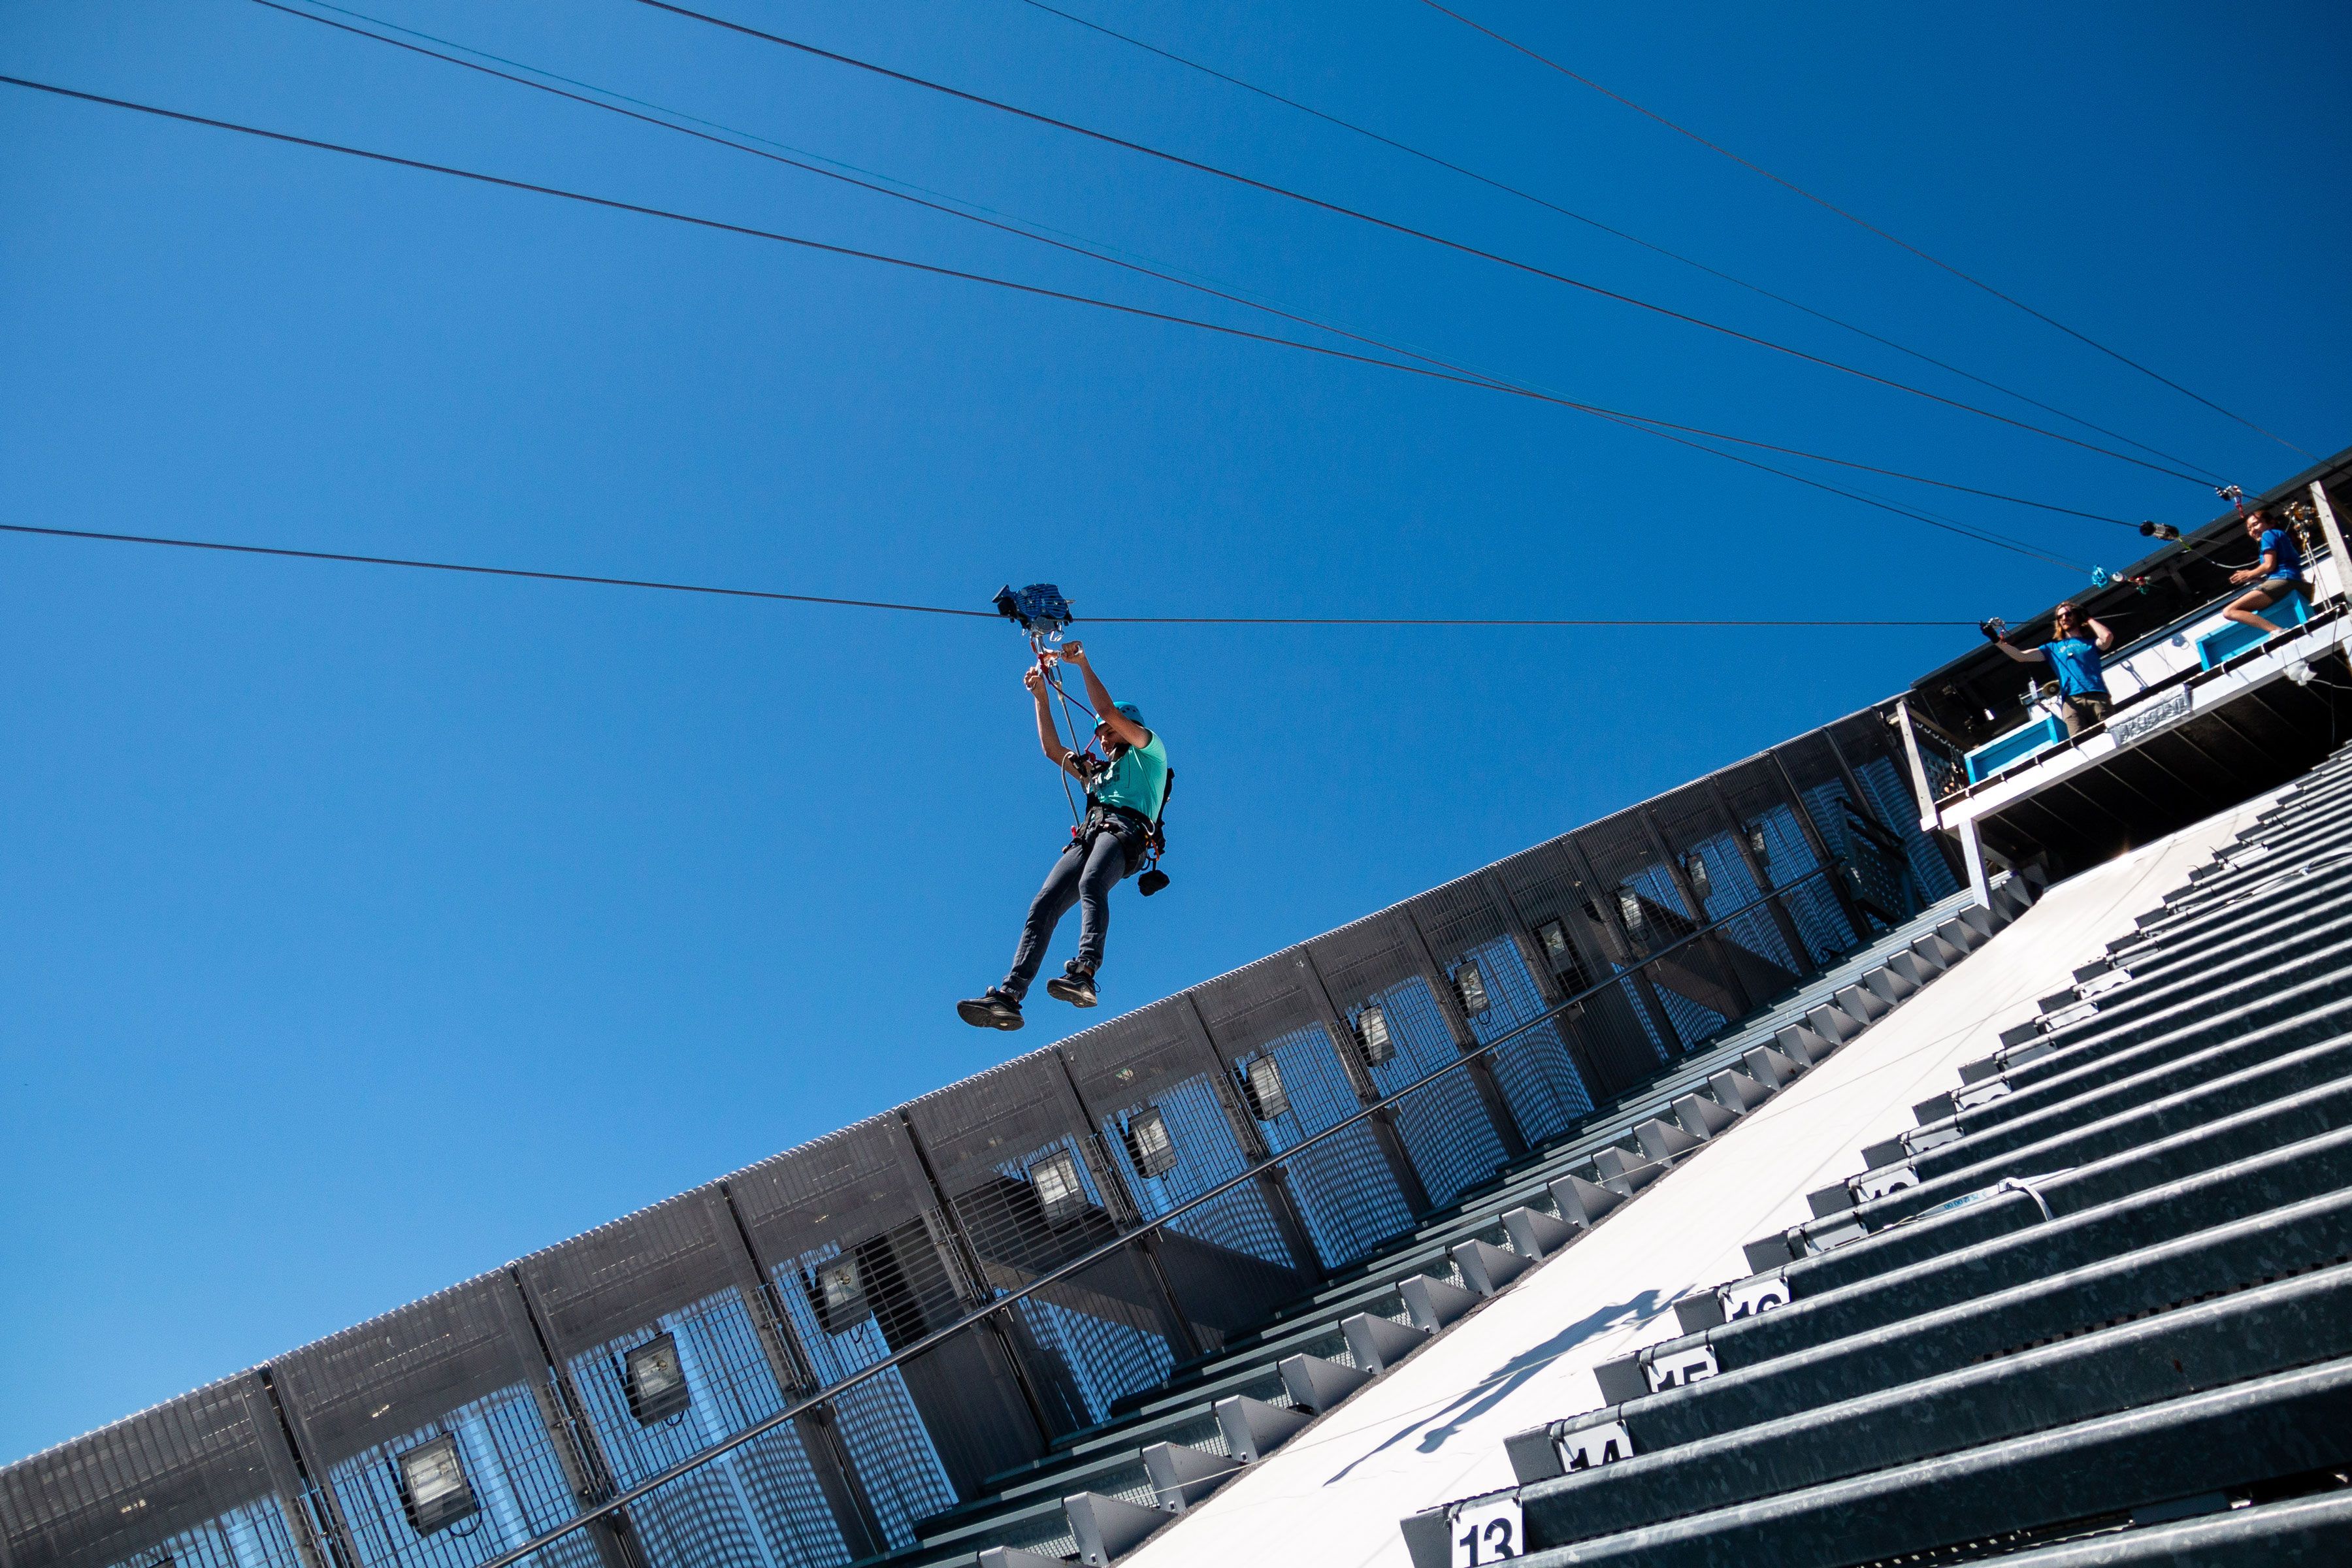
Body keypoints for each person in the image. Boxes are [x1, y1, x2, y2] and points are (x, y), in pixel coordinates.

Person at [958, 640, 1168, 1030]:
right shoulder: (1098, 774)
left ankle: (1085, 971)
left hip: (1125, 832)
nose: (1102, 737)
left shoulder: (1149, 752)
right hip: (1090, 835)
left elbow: (1105, 710)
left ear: (1130, 727)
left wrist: (1083, 663)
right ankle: (1010, 995)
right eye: (1100, 733)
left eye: (1108, 731)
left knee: (1092, 882)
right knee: (1044, 905)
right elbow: (1053, 750)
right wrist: (1041, 697)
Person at [1989, 602, 2117, 736]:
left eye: (2068, 614)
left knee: (2113, 732)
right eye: (2060, 617)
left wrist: (2088, 618)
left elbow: (2107, 637)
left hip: (2097, 696)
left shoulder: (2090, 643)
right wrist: (1995, 640)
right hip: (2071, 701)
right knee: (2080, 741)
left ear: (2077, 616)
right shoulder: (2052, 648)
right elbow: (2021, 656)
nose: (2064, 618)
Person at [2222, 509, 2308, 636]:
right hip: (2291, 579)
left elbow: (2269, 565)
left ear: (2271, 522)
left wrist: (2249, 574)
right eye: (2249, 529)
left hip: (2284, 580)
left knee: (2229, 611)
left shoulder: (2269, 535)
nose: (2252, 530)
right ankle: (2276, 630)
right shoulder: (2278, 535)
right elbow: (2275, 568)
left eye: (2256, 524)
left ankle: (2276, 630)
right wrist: (2259, 580)